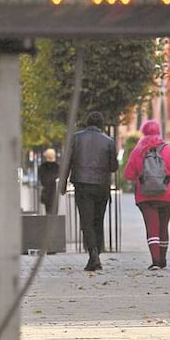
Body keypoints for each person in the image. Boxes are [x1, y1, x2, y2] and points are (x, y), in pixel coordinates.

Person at [123, 120, 170, 270]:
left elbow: (128, 174)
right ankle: (162, 260)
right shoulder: (169, 150)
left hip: (145, 196)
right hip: (166, 195)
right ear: (159, 132)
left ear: (143, 132)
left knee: (152, 227)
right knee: (163, 227)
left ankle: (155, 261)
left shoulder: (137, 151)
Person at [61, 112, 118, 271]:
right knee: (98, 221)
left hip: (82, 184)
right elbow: (114, 167)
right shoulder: (109, 141)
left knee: (86, 221)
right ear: (101, 125)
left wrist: (63, 184)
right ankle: (96, 254)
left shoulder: (76, 138)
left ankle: (93, 255)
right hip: (101, 185)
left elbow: (67, 162)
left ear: (87, 123)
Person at [37, 148, 60, 214]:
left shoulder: (42, 167)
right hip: (54, 192)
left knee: (47, 212)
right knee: (55, 213)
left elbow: (40, 179)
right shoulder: (57, 167)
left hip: (46, 193)